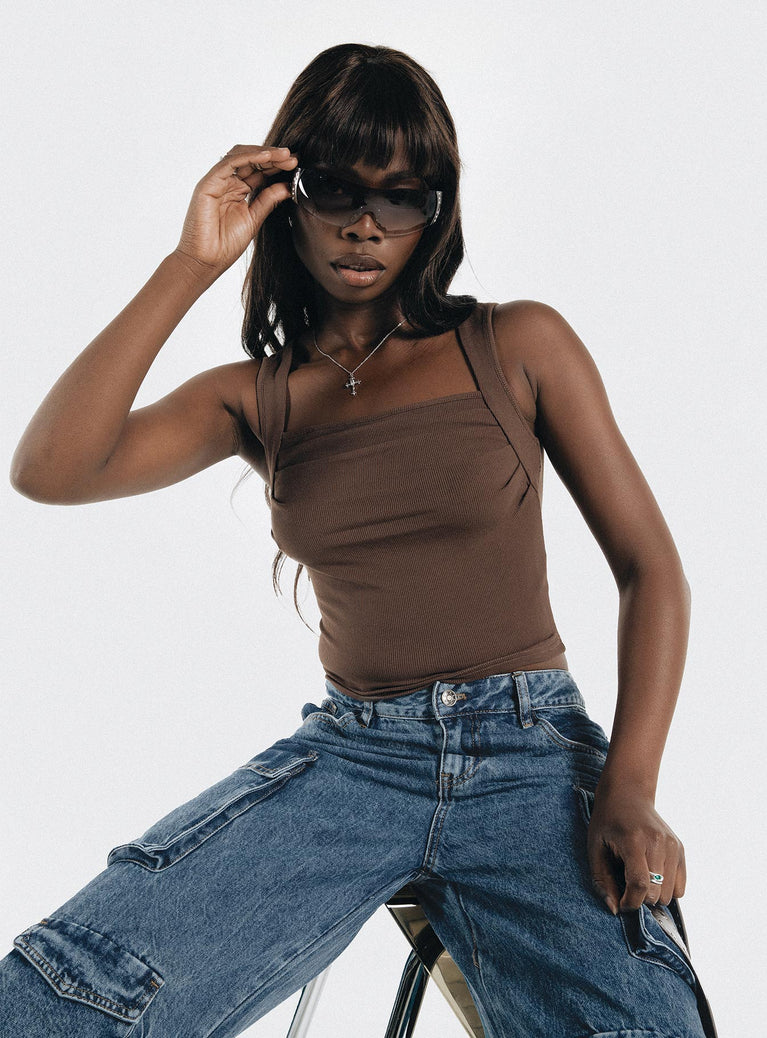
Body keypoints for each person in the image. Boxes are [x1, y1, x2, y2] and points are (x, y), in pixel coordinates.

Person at [1, 42, 709, 1038]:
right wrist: (190, 264)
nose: (365, 224)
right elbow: (50, 469)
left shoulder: (515, 344)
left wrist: (628, 787)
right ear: (287, 193)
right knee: (59, 1001)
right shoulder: (257, 398)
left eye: (400, 197)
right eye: (336, 189)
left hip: (529, 759)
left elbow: (650, 568)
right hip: (354, 764)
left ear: (434, 211)